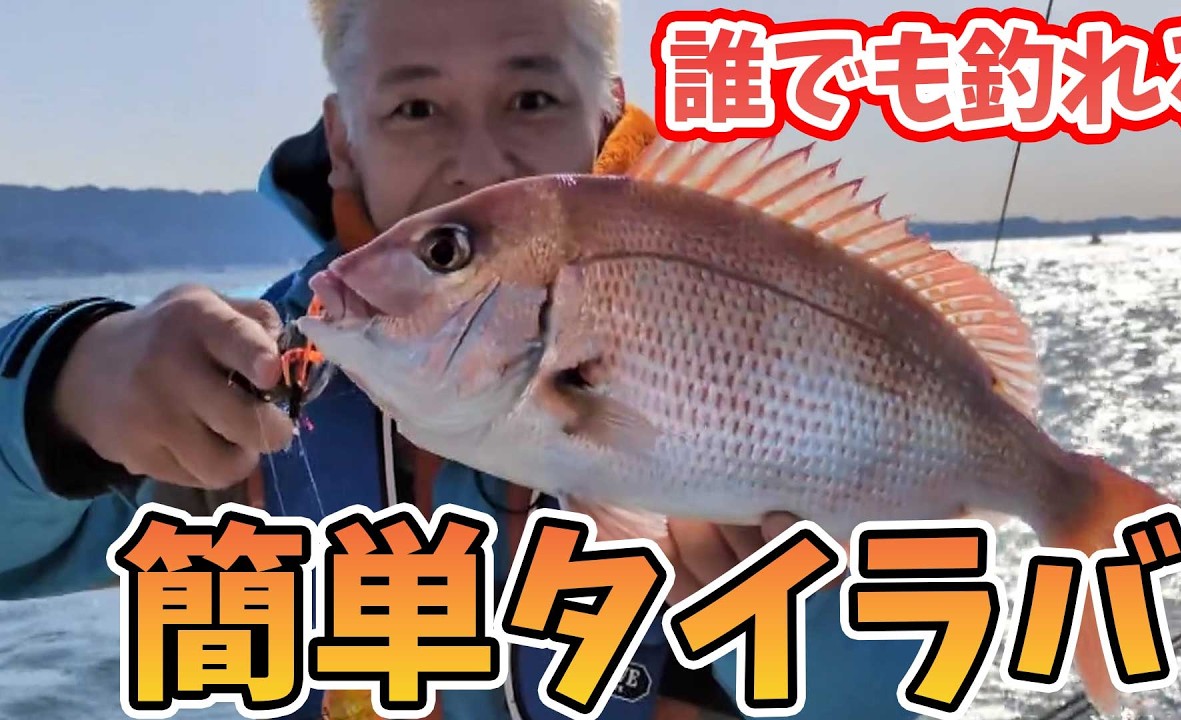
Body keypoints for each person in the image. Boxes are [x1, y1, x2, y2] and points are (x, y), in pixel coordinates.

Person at [0, 1, 922, 718]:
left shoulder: (734, 314)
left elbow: (899, 687)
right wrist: (67, 387)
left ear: (608, 112)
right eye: (416, 108)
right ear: (343, 136)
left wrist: (802, 609)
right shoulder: (240, 379)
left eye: (532, 99)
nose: (479, 162)